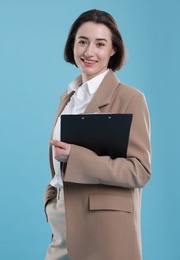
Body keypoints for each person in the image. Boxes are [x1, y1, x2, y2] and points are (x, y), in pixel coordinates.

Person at [44, 9, 151, 260]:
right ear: (72, 45)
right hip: (62, 216)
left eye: (100, 44)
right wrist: (51, 199)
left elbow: (140, 171)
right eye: (82, 42)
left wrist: (76, 157)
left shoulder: (130, 98)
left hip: (104, 226)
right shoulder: (69, 96)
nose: (88, 52)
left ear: (113, 50)